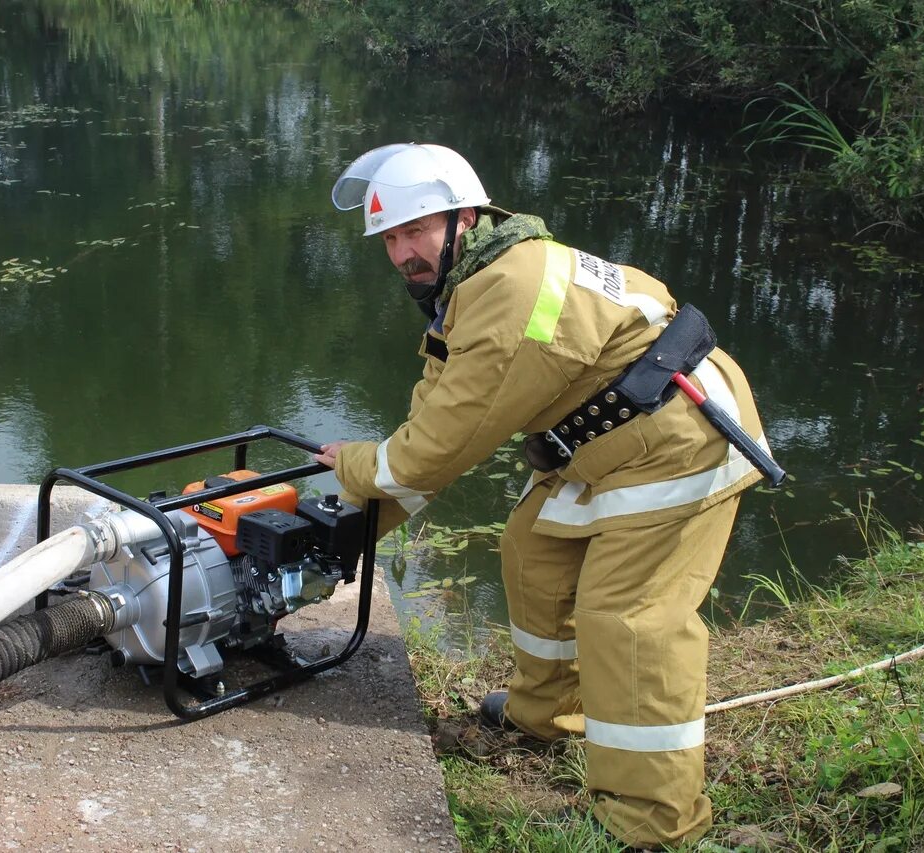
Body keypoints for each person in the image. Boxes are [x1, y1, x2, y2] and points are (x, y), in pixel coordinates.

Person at [314, 143, 770, 848]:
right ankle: (546, 714)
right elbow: (433, 425)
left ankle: (649, 820)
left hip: (680, 439)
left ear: (465, 217)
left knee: (628, 619)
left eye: (415, 231)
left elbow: (435, 449)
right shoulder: (473, 285)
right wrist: (353, 522)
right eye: (390, 238)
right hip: (609, 441)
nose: (402, 251)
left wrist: (354, 467)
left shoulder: (510, 294)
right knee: (534, 551)